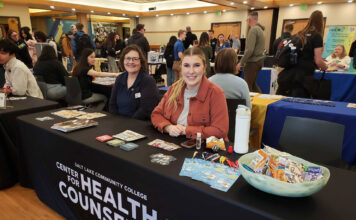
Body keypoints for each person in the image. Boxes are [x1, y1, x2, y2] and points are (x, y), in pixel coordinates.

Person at [151, 47, 229, 140]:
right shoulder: (173, 89)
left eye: (196, 65)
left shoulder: (216, 93)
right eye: (186, 65)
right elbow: (156, 114)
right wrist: (168, 127)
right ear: (181, 68)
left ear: (204, 68)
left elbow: (220, 130)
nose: (191, 71)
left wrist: (186, 130)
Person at [276, 10, 328, 98]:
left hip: (288, 75)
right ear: (321, 23)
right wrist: (326, 67)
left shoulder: (299, 34)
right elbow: (318, 61)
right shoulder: (317, 36)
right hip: (303, 78)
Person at [109, 45, 160, 120]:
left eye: (135, 59)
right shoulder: (120, 79)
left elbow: (145, 110)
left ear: (141, 61)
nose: (131, 62)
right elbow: (112, 105)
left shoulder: (148, 81)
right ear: (123, 60)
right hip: (118, 123)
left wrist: (128, 124)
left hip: (138, 125)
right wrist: (117, 121)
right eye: (128, 58)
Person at [237, 11, 265, 93]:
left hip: (252, 62)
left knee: (247, 86)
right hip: (259, 61)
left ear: (249, 20)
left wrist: (241, 62)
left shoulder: (253, 30)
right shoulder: (261, 30)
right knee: (253, 85)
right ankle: (261, 100)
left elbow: (249, 50)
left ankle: (249, 105)